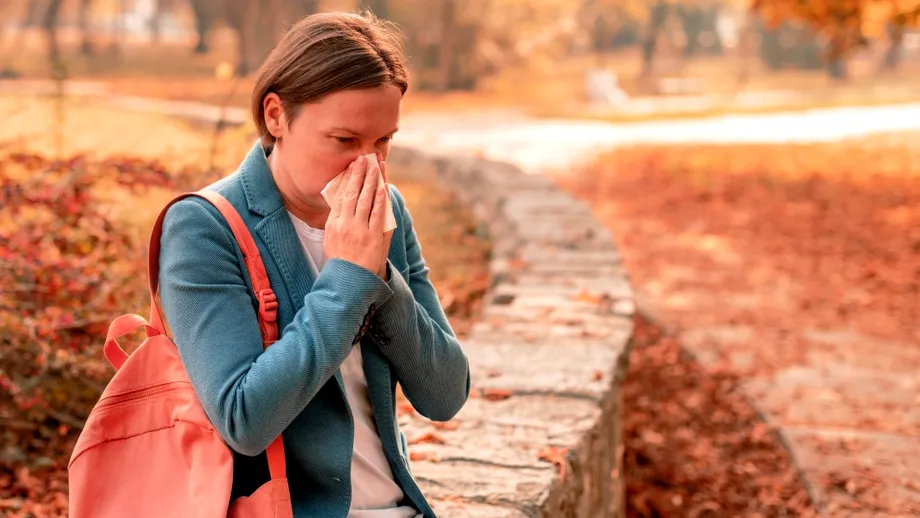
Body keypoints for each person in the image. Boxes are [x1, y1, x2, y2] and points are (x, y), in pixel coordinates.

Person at [157, 11, 470, 518]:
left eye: (383, 141)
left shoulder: (386, 212)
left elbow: (446, 394)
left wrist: (380, 276)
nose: (369, 166)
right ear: (276, 115)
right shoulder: (203, 227)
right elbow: (243, 419)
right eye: (344, 140)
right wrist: (347, 279)